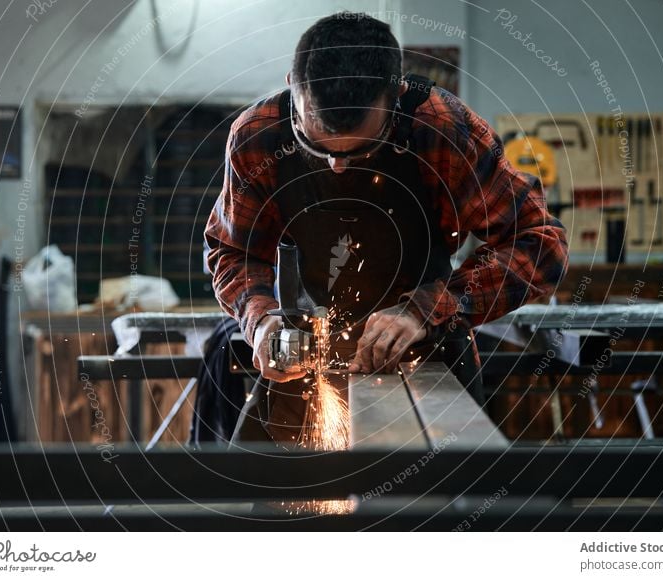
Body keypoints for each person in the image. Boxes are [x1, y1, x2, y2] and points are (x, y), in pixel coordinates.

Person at [205, 12, 568, 446]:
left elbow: (540, 243)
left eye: (362, 149)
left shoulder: (442, 130)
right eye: (315, 145)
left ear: (394, 95)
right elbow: (235, 253)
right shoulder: (258, 137)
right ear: (292, 88)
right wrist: (261, 319)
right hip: (303, 361)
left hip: (428, 361)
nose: (338, 166)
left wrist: (427, 308)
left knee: (432, 507)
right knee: (279, 503)